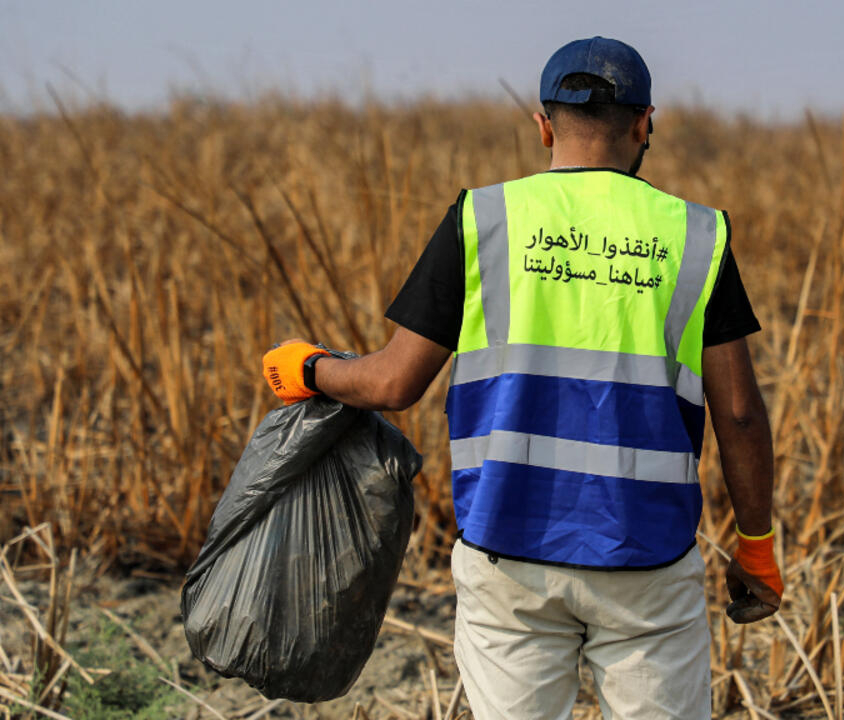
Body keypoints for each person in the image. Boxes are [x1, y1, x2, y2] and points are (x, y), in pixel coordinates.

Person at [261, 36, 782, 719]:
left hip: (509, 553)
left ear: (543, 127)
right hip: (646, 560)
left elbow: (393, 384)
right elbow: (739, 412)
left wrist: (308, 368)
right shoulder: (697, 235)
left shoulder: (482, 219)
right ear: (644, 123)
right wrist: (756, 547)